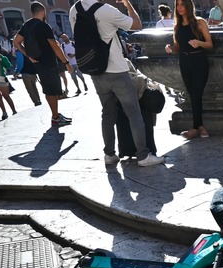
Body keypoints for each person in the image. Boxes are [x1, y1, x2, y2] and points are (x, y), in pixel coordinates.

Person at [70, 0, 166, 167]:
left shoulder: (74, 10)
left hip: (95, 71)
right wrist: (128, 4)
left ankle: (109, 154)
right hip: (117, 71)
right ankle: (143, 156)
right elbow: (136, 25)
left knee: (107, 114)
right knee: (133, 113)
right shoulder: (106, 10)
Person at [13, 2, 74, 127]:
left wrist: (28, 55)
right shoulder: (43, 26)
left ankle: (56, 114)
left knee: (48, 90)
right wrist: (66, 63)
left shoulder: (26, 25)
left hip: (38, 64)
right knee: (52, 91)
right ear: (42, 11)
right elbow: (55, 47)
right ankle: (55, 117)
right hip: (49, 63)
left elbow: (16, 42)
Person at [165, 0, 213, 139]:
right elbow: (177, 47)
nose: (180, 8)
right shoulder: (177, 26)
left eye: (182, 4)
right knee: (192, 95)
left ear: (188, 5)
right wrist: (169, 48)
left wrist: (199, 43)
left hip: (199, 61)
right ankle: (200, 127)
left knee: (196, 94)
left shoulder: (199, 22)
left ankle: (196, 128)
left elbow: (209, 44)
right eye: (177, 5)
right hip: (184, 62)